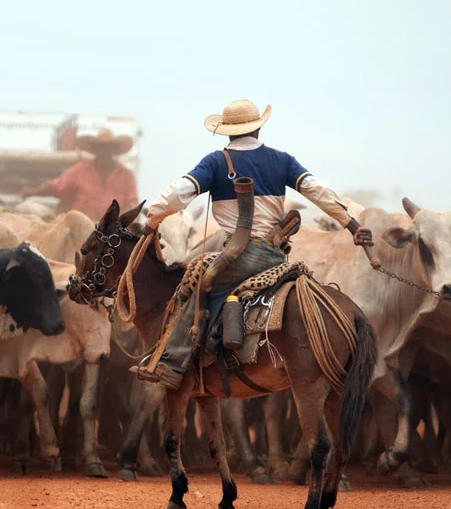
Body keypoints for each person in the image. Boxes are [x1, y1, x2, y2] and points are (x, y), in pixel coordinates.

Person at [141, 99, 374, 389]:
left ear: (227, 132)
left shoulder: (215, 162)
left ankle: (172, 365)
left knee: (198, 285)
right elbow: (319, 191)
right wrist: (351, 224)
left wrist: (152, 218)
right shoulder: (282, 160)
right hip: (275, 258)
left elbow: (179, 193)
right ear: (258, 129)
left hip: (238, 256)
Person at [21, 128, 138, 222]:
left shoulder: (126, 175)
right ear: (95, 150)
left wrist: (121, 221)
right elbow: (57, 186)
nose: (104, 152)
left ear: (114, 151)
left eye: (107, 148)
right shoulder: (80, 170)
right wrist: (33, 191)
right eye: (101, 148)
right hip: (80, 230)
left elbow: (132, 204)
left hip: (111, 234)